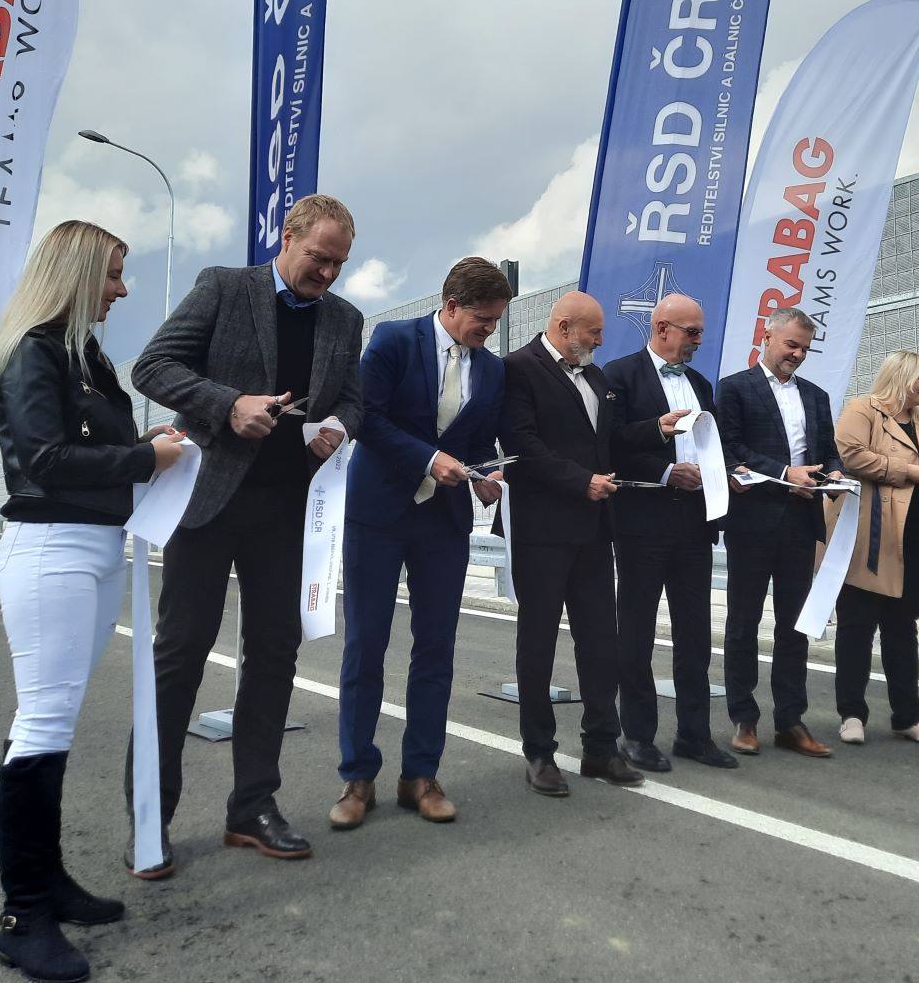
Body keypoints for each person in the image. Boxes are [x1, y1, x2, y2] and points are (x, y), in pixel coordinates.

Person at [125, 195, 364, 877]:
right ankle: (150, 818)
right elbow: (152, 366)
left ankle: (252, 808)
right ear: (286, 237)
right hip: (208, 503)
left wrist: (339, 427)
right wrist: (228, 404)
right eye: (318, 258)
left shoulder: (345, 320)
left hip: (288, 512)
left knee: (274, 657)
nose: (327, 274)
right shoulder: (224, 288)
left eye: (339, 264)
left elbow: (355, 398)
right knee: (180, 656)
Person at [0, 220, 186, 982]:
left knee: (56, 721)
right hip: (50, 548)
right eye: (113, 275)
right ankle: (23, 914)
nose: (122, 290)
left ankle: (50, 880)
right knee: (40, 723)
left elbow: (90, 447)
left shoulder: (83, 354)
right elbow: (44, 458)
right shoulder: (33, 350)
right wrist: (144, 457)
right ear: (75, 274)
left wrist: (152, 448)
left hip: (95, 548)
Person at [329, 258, 511, 830]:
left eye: (497, 321)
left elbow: (478, 439)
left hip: (443, 523)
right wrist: (430, 459)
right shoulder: (392, 341)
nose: (490, 330)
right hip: (377, 515)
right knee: (366, 646)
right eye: (483, 319)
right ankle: (357, 777)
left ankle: (421, 775)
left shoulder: (492, 369)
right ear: (451, 305)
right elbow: (369, 419)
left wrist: (485, 474)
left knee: (436, 648)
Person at [499, 291, 685, 796]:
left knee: (602, 642)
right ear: (565, 327)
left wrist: (656, 429)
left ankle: (601, 746)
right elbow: (521, 445)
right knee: (537, 643)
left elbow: (610, 442)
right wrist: (579, 481)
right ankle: (540, 752)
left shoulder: (597, 378)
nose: (602, 341)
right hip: (541, 532)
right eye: (594, 332)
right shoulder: (518, 369)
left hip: (595, 530)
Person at [602, 294, 737, 773]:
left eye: (701, 332)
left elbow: (711, 445)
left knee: (695, 632)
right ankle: (637, 735)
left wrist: (725, 474)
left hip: (695, 522)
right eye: (691, 332)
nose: (698, 341)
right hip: (643, 522)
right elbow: (611, 444)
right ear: (662, 329)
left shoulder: (700, 383)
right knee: (636, 631)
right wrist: (664, 470)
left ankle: (694, 734)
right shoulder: (619, 375)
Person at [715, 306, 845, 758]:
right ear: (766, 337)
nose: (798, 354)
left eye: (805, 349)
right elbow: (730, 449)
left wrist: (833, 474)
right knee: (743, 622)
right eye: (791, 344)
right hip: (752, 522)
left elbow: (828, 451)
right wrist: (787, 474)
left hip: (801, 522)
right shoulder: (734, 388)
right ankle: (744, 719)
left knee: (795, 626)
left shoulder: (816, 396)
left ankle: (791, 720)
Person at [829, 351, 919, 748]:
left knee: (903, 630)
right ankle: (852, 715)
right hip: (869, 539)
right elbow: (853, 456)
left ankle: (908, 717)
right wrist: (907, 471)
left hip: (917, 540)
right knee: (856, 628)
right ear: (901, 378)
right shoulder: (862, 410)